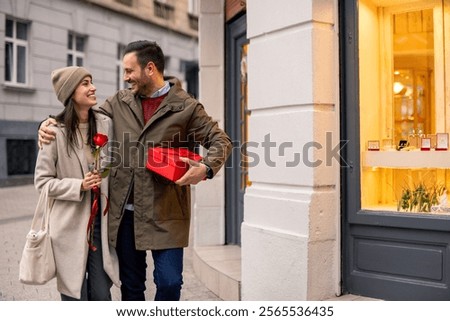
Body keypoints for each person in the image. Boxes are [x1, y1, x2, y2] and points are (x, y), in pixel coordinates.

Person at [39, 41, 232, 301]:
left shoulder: (186, 107)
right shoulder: (119, 102)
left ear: (149, 68)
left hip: (166, 212)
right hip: (126, 215)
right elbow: (83, 116)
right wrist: (48, 124)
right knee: (131, 286)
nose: (125, 77)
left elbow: (221, 141)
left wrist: (207, 168)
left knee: (169, 282)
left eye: (130, 70)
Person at [35, 66, 120, 300]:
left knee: (102, 295)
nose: (93, 87)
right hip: (68, 227)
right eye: (85, 83)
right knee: (75, 297)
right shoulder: (54, 131)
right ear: (70, 92)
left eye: (91, 81)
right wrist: (78, 186)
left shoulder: (106, 124)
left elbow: (114, 166)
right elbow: (42, 183)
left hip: (100, 227)